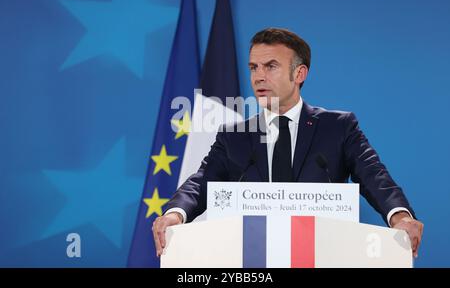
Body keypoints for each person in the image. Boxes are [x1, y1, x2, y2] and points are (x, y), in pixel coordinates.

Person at [152, 28, 424, 259]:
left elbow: (373, 176)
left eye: (271, 66)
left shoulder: (338, 127)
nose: (259, 76)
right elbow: (201, 183)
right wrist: (175, 214)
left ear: (299, 74)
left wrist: (399, 216)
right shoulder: (233, 136)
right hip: (251, 259)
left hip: (323, 254)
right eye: (253, 67)